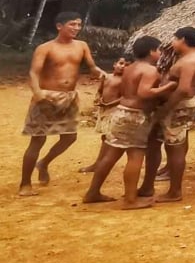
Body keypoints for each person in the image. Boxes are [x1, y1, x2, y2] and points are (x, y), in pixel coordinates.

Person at [19, 15, 103, 197]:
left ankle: (44, 163)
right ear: (59, 26)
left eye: (79, 24)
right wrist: (38, 94)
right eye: (72, 24)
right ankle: (25, 184)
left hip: (69, 98)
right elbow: (34, 73)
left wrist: (104, 75)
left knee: (69, 137)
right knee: (37, 140)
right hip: (47, 96)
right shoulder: (45, 48)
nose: (76, 28)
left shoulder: (82, 46)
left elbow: (92, 67)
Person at [83, 36, 163, 209]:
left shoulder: (129, 69)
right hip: (136, 116)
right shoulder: (150, 71)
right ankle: (130, 200)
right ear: (151, 51)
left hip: (121, 112)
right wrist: (167, 87)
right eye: (159, 50)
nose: (160, 53)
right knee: (136, 155)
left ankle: (92, 192)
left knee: (110, 155)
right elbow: (144, 93)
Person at [139, 26, 195, 203]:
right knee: (155, 142)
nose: (172, 42)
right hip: (176, 106)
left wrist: (165, 108)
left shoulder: (190, 61)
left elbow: (184, 89)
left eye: (174, 39)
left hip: (178, 107)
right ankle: (148, 186)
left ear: (183, 40)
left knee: (174, 147)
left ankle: (175, 191)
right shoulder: (192, 57)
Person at [79, 56, 130, 174]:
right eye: (121, 63)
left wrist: (109, 104)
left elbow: (124, 97)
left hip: (114, 111)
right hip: (104, 111)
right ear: (114, 64)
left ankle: (100, 164)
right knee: (105, 137)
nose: (123, 67)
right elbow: (100, 90)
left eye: (127, 65)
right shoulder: (106, 77)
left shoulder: (125, 81)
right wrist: (98, 99)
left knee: (109, 138)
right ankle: (100, 163)